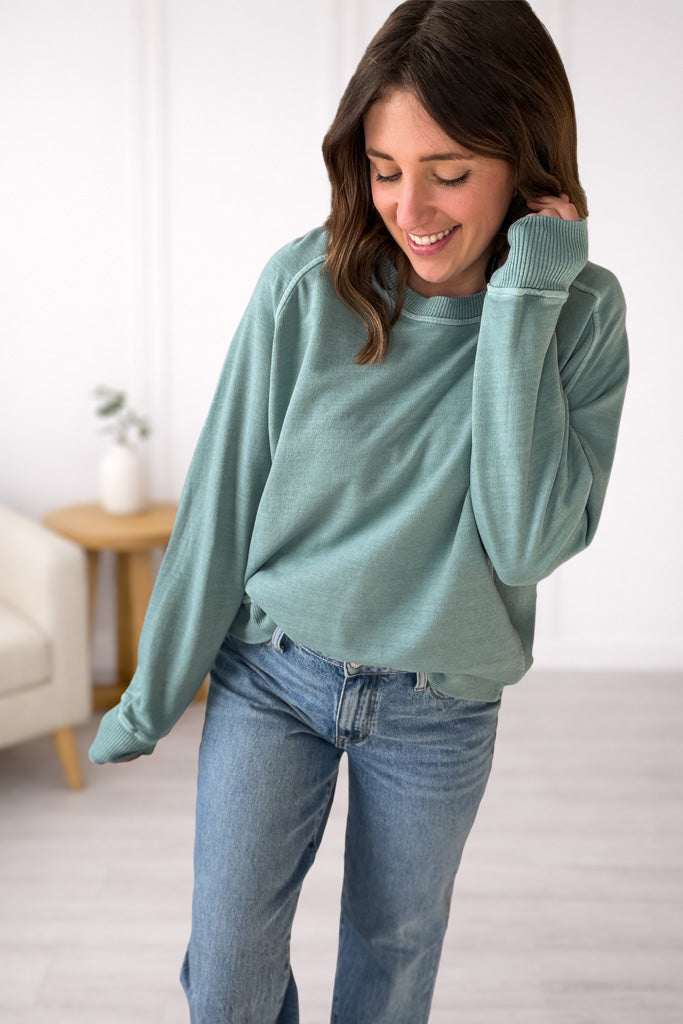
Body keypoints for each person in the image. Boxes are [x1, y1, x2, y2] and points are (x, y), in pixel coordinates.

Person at [89, 1, 629, 1020]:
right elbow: (220, 498)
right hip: (272, 673)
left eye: (449, 171)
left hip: (439, 705)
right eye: (385, 169)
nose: (409, 208)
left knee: (390, 968)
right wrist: (152, 690)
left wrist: (519, 307)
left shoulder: (579, 315)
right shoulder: (305, 285)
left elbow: (523, 542)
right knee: (226, 972)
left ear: (525, 161)